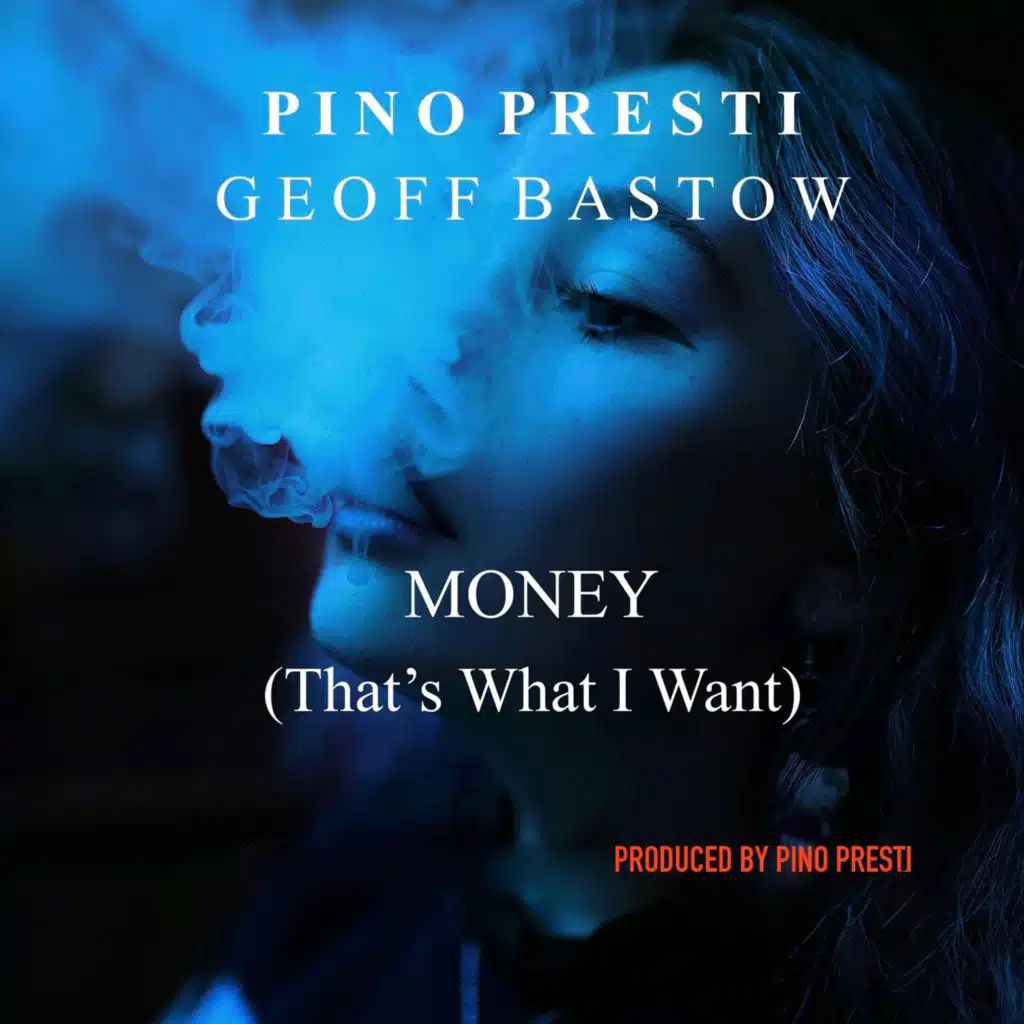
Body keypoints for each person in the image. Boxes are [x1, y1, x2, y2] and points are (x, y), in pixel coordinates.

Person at [161, 1, 1023, 1021]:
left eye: (611, 301)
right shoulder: (339, 900)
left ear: (855, 547)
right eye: (449, 264)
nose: (423, 345)